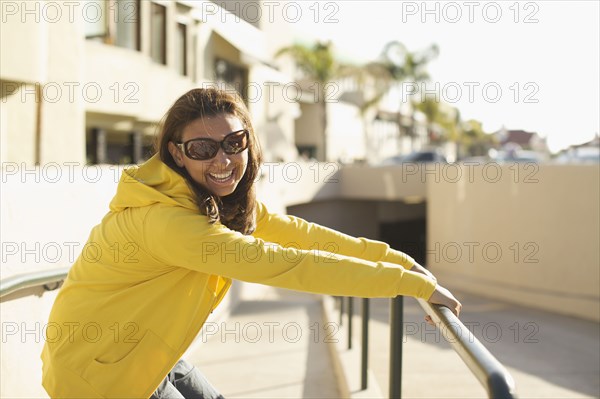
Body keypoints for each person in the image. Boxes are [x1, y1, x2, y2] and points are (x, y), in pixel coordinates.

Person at [41, 87, 461, 398]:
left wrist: (399, 261)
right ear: (177, 153)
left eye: (233, 143)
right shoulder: (168, 221)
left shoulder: (205, 200)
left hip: (145, 350)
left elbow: (299, 234)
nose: (222, 160)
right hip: (99, 375)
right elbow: (288, 264)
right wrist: (413, 287)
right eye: (203, 148)